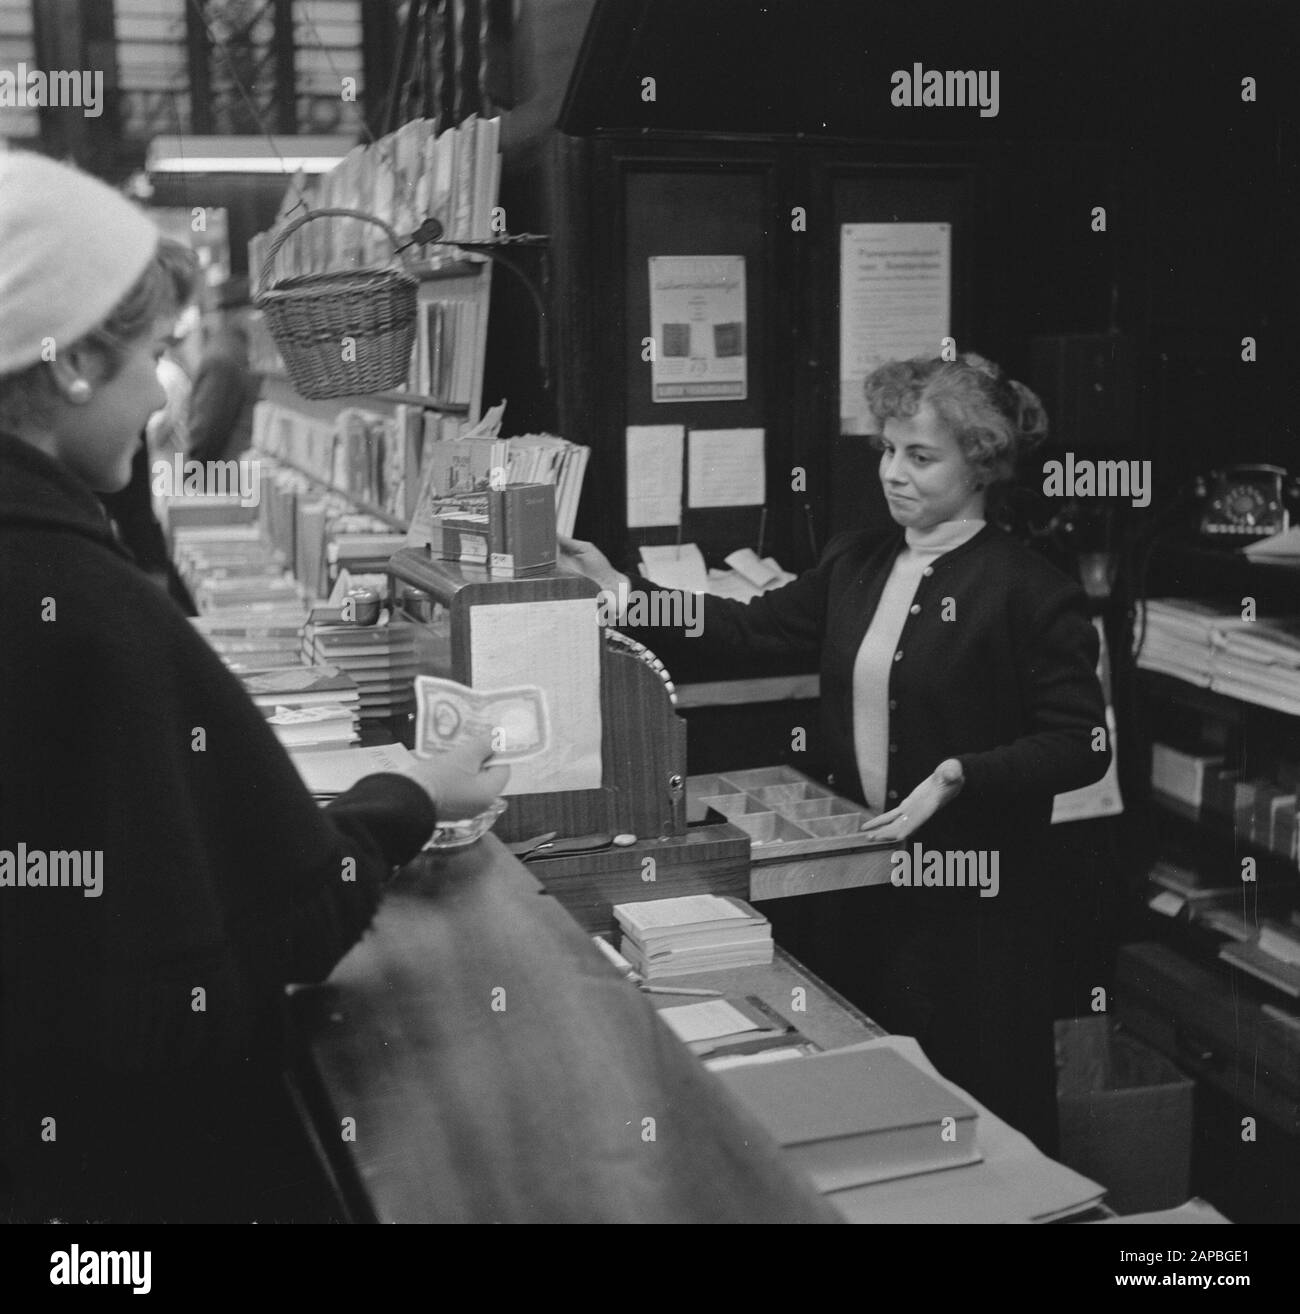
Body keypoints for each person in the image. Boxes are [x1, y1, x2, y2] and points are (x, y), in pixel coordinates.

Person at [0, 150, 508, 1222]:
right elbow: (284, 913)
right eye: (146, 354)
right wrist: (411, 794)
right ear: (76, 363)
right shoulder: (86, 612)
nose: (160, 391)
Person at [561, 352, 1111, 1153]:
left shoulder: (1031, 590)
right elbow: (748, 626)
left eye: (921, 457)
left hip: (976, 908)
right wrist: (622, 593)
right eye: (888, 450)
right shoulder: (859, 561)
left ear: (983, 463)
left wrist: (963, 775)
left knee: (980, 1115)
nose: (894, 473)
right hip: (869, 890)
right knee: (872, 1100)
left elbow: (1079, 744)